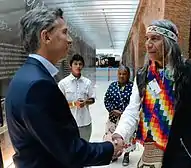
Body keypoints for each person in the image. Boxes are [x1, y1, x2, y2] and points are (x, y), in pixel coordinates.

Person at [5, 7, 123, 168]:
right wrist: (110, 148)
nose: (70, 40)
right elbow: (70, 152)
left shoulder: (26, 75)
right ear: (46, 37)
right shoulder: (38, 86)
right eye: (64, 32)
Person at [112, 19, 191, 168]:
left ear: (169, 42)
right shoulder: (143, 75)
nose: (148, 44)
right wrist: (120, 134)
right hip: (153, 154)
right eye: (147, 38)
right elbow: (132, 110)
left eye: (155, 38)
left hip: (186, 154)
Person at [104, 65, 136, 166]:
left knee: (127, 136)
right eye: (120, 74)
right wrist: (112, 110)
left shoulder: (132, 87)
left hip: (126, 118)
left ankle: (126, 155)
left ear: (128, 75)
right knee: (112, 136)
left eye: (124, 74)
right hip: (113, 117)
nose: (121, 76)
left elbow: (134, 103)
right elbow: (106, 99)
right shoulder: (113, 86)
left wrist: (123, 113)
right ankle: (114, 154)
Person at [58, 54, 95, 141]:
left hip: (85, 123)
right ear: (70, 66)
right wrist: (74, 104)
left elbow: (92, 99)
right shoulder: (63, 83)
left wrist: (85, 102)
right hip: (68, 124)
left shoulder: (87, 82)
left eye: (80, 64)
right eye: (75, 64)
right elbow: (58, 104)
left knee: (85, 148)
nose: (78, 66)